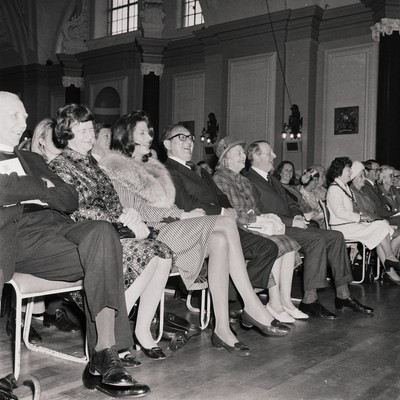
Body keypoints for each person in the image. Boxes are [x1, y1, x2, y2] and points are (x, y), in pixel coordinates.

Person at [101, 114, 289, 357]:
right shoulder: (117, 167)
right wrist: (182, 215)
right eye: (142, 133)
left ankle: (222, 327)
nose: (149, 137)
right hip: (150, 233)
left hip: (166, 227)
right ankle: (250, 303)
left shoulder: (150, 166)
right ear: (126, 137)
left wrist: (180, 214)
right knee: (225, 222)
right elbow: (138, 211)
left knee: (221, 239)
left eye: (149, 132)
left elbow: (161, 206)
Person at [0, 92, 149, 397]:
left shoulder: (32, 158)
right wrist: (43, 188)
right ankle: (104, 359)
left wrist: (31, 188)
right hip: (21, 238)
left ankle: (102, 355)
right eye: (15, 115)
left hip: (59, 227)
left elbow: (69, 198)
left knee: (103, 233)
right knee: (102, 240)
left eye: (25, 115)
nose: (24, 122)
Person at [49, 104, 174, 362]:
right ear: (65, 133)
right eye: (81, 129)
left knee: (163, 252)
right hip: (84, 240)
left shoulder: (93, 165)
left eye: (90, 129)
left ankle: (140, 330)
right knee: (153, 252)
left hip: (109, 231)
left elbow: (115, 205)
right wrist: (121, 220)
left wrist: (130, 215)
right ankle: (113, 338)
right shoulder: (60, 166)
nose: (89, 135)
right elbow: (75, 212)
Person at [163, 124, 292, 343]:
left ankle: (223, 327)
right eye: (181, 138)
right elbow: (184, 203)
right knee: (227, 228)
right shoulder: (167, 169)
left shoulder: (200, 170)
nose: (189, 142)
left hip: (220, 228)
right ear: (167, 144)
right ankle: (250, 304)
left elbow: (220, 196)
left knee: (267, 246)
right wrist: (223, 211)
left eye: (191, 138)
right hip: (192, 228)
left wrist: (225, 209)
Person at [244, 140, 373, 319]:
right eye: (269, 153)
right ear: (256, 156)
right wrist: (291, 221)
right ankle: (309, 300)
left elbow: (291, 202)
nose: (274, 156)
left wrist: (298, 215)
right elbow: (260, 212)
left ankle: (343, 295)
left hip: (290, 223)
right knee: (316, 240)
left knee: (336, 236)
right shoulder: (249, 180)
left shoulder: (271, 179)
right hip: (275, 229)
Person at [212, 138, 308, 321]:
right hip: (238, 229)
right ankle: (274, 303)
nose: (244, 156)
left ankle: (284, 301)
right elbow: (229, 214)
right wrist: (258, 218)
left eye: (243, 152)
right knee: (279, 244)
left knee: (289, 243)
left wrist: (266, 217)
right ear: (226, 159)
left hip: (253, 223)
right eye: (239, 153)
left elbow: (256, 208)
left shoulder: (244, 180)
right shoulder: (219, 179)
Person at [326, 157, 400, 284]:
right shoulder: (334, 189)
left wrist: (362, 217)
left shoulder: (344, 187)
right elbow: (340, 212)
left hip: (350, 224)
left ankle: (389, 260)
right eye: (348, 170)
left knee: (381, 225)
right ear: (339, 171)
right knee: (380, 226)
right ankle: (389, 259)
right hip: (342, 228)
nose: (350, 172)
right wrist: (360, 217)